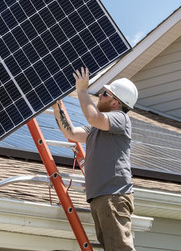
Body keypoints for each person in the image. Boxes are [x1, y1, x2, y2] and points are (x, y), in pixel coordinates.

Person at [51, 67, 138, 251]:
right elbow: (72, 133)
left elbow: (93, 117)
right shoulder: (98, 128)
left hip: (113, 195)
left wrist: (82, 90)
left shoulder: (120, 119)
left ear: (116, 102)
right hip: (101, 197)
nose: (100, 95)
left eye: (105, 93)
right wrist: (56, 106)